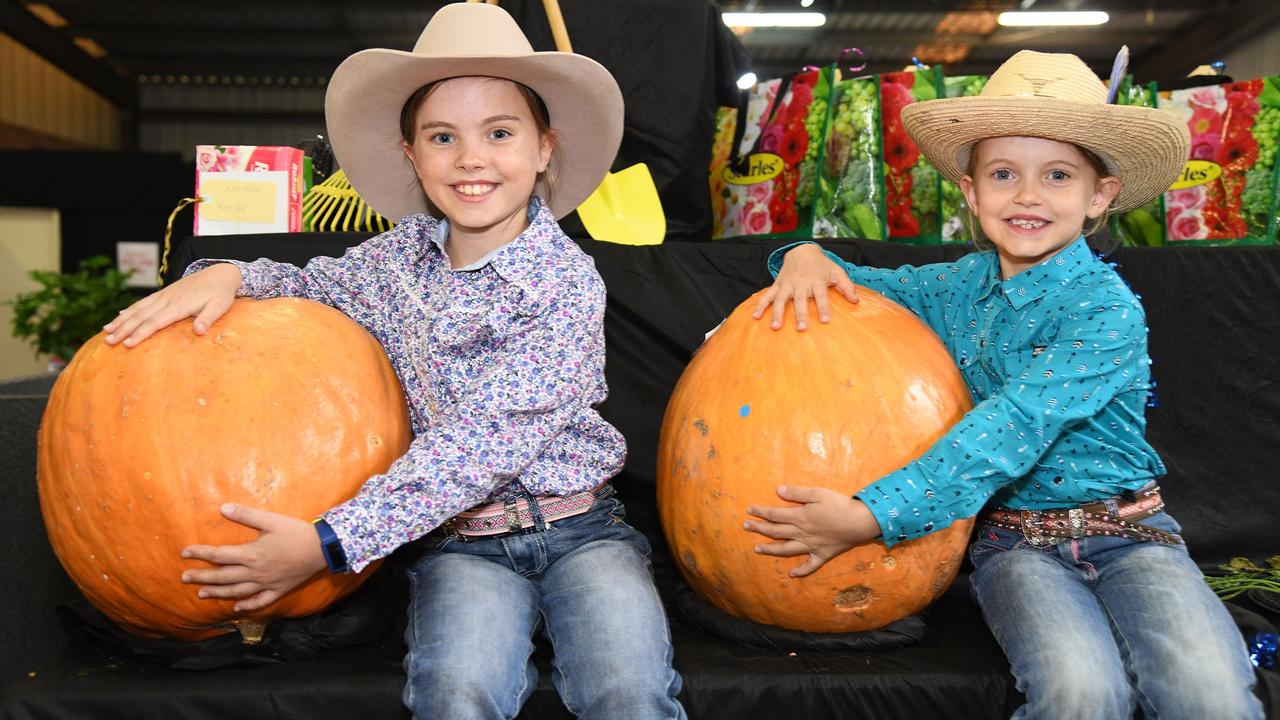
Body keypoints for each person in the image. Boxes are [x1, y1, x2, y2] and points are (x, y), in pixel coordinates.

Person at [102, 5, 685, 719]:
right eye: (443, 137)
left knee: (626, 689)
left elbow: (483, 444)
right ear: (413, 156)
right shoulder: (393, 263)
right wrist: (229, 272)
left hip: (580, 528)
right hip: (461, 544)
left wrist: (332, 540)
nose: (471, 158)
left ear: (543, 150)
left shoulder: (564, 284)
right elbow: (312, 284)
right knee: (453, 690)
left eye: (499, 133)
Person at [742, 50, 1263, 719]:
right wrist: (803, 254)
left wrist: (872, 514)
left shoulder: (1106, 311)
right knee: (1080, 693)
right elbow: (852, 283)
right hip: (1015, 543)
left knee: (1210, 693)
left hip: (1132, 535)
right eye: (1002, 174)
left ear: (1098, 194)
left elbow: (1012, 428)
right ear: (970, 191)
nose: (1027, 195)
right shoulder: (954, 287)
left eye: (1057, 175)